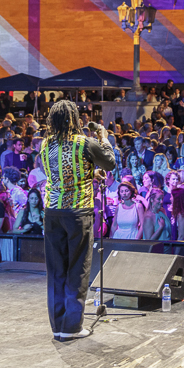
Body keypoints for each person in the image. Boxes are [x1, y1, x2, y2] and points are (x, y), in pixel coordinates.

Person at [39, 101, 115, 341]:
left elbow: (59, 172)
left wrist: (88, 172)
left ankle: (58, 326)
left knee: (56, 270)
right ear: (75, 119)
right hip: (78, 212)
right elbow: (110, 162)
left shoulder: (45, 144)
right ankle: (72, 327)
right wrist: (103, 137)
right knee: (77, 270)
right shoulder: (85, 142)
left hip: (52, 212)